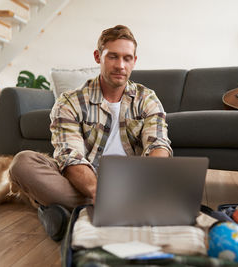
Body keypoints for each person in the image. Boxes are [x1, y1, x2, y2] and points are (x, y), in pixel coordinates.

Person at [9, 25, 173, 241]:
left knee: (168, 178)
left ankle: (64, 213)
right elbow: (70, 156)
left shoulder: (147, 98)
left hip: (132, 183)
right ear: (98, 57)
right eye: (113, 57)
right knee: (22, 163)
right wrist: (100, 193)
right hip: (83, 184)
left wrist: (146, 181)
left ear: (134, 60)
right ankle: (117, 210)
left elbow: (158, 144)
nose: (120, 65)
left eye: (127, 58)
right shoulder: (69, 101)